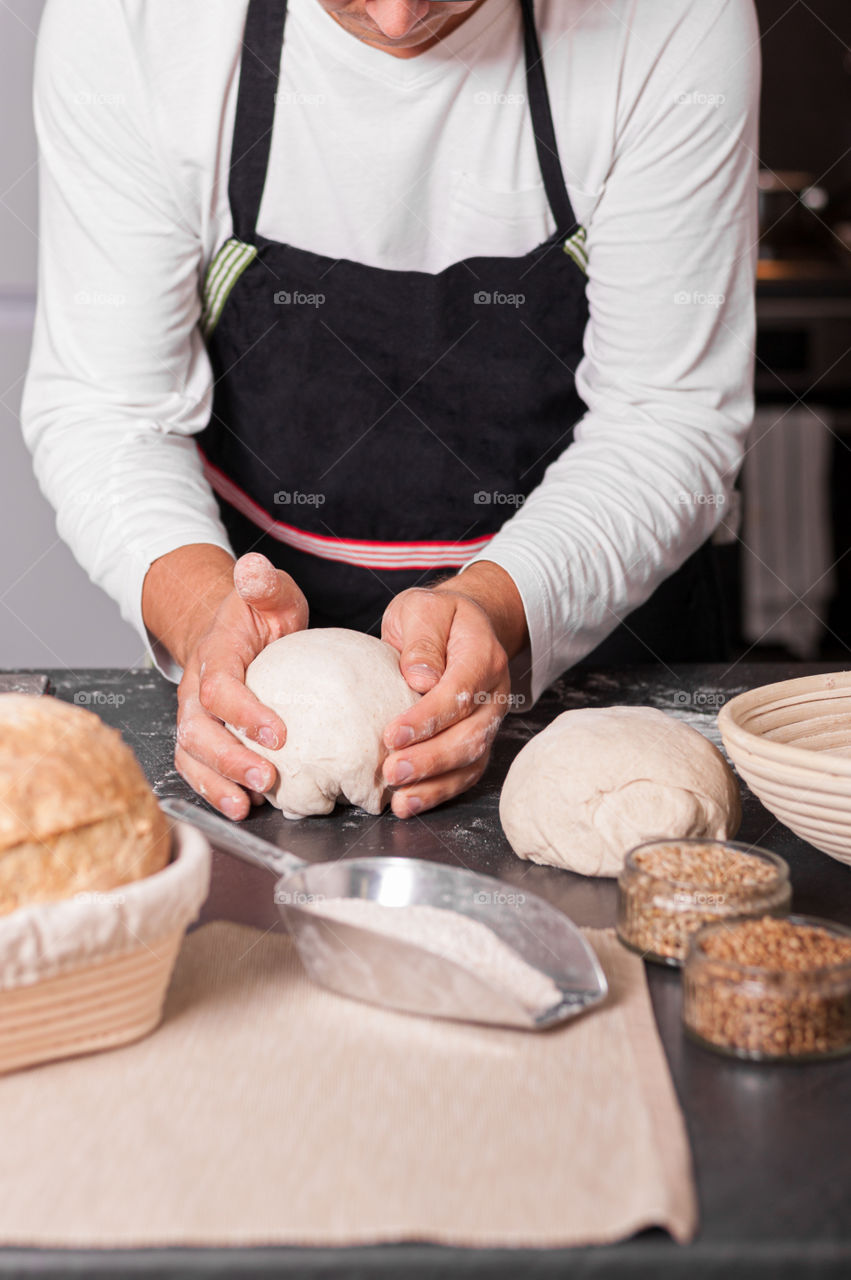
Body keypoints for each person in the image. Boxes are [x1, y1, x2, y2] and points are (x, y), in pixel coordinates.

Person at [21, 0, 759, 821]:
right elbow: (109, 409)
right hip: (258, 669)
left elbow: (665, 414)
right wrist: (203, 618)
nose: (398, 19)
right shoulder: (133, 19)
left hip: (599, 655)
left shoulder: (671, 17)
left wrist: (500, 603)